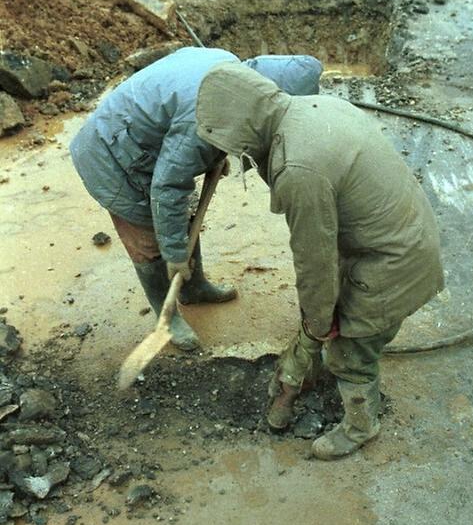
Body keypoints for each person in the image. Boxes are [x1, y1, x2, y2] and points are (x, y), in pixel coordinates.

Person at [195, 63, 444, 461]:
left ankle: (361, 425)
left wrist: (315, 328)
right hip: (402, 233)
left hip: (395, 261)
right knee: (330, 322)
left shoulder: (298, 169)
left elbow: (315, 262)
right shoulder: (311, 107)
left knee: (348, 352)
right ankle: (319, 367)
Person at [70, 47, 322, 350]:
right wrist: (175, 254)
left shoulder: (230, 71)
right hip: (110, 155)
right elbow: (168, 187)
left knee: (183, 217)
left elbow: (193, 137)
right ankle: (167, 317)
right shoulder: (204, 112)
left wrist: (217, 149)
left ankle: (194, 288)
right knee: (150, 241)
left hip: (144, 141)